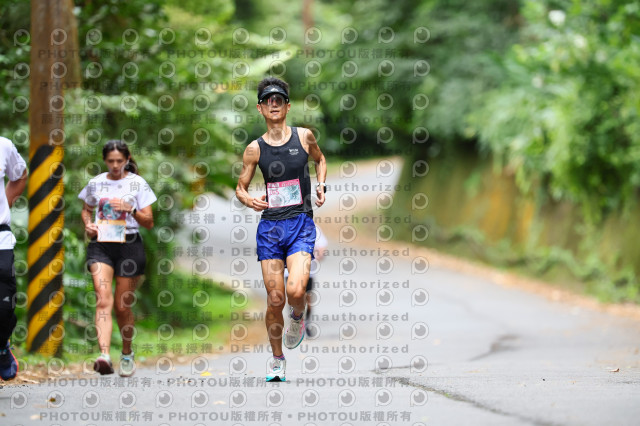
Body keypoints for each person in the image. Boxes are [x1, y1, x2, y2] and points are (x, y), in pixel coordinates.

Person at [236, 77, 327, 382]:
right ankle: (277, 359)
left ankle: (298, 316)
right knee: (275, 299)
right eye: (268, 100)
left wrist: (321, 185)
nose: (273, 105)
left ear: (288, 106)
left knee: (296, 290)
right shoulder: (254, 149)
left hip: (300, 223)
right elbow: (240, 187)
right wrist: (249, 200)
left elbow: (320, 160)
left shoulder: (304, 137)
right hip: (271, 229)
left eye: (279, 100)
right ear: (260, 108)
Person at [78, 140, 156, 376]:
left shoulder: (137, 183)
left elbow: (149, 222)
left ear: (127, 159)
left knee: (122, 307)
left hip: (129, 245)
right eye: (110, 161)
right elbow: (86, 209)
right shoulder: (96, 183)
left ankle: (126, 352)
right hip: (101, 244)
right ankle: (103, 355)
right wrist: (88, 225)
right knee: (103, 299)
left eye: (119, 161)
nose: (114, 165)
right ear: (104, 160)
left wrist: (129, 208)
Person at [0, 137, 27, 381]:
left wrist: (4, 204)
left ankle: (1, 346)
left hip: (0, 238)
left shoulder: (3, 145)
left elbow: (20, 176)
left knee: (4, 306)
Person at [285, 224, 328, 337]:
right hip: (290, 271)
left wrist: (318, 255)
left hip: (308, 271)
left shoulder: (313, 228)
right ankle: (294, 324)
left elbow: (322, 247)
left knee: (308, 299)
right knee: (293, 297)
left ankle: (306, 323)